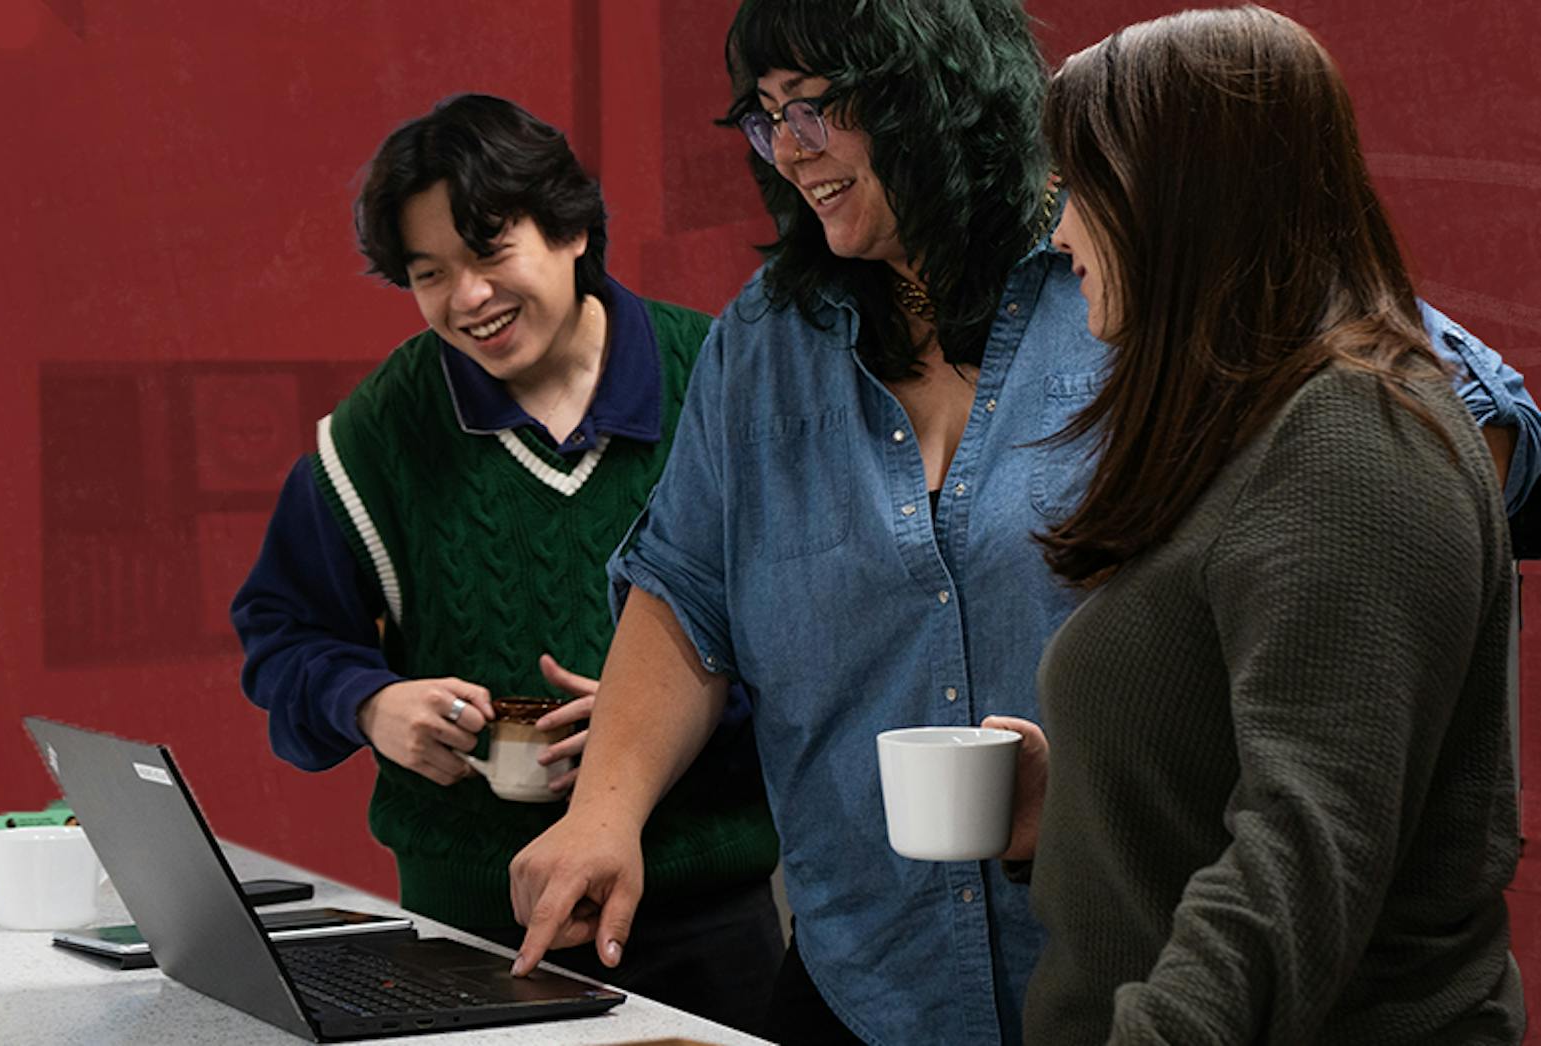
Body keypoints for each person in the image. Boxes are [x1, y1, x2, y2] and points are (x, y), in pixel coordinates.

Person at [507, 2, 1540, 1042]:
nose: (788, 149)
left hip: (1169, 968)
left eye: (814, 106)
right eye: (765, 117)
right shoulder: (767, 339)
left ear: (935, 97)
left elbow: (1449, 414)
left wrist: (1364, 592)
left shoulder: (1171, 292)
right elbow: (687, 586)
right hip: (875, 966)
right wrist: (604, 812)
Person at [988, 8, 1524, 1042]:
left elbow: (1304, 852)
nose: (1059, 235)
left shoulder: (1355, 436)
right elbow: (1268, 762)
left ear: (1181, 196)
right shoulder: (1261, 421)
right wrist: (1083, 805)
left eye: (1081, 192)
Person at [229, 93, 783, 1033]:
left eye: (490, 254)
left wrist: (656, 722)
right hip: (466, 931)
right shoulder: (381, 428)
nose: (467, 299)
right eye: (429, 274)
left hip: (707, 912)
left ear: (571, 230)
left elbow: (826, 635)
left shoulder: (723, 377)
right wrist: (369, 704)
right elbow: (280, 634)